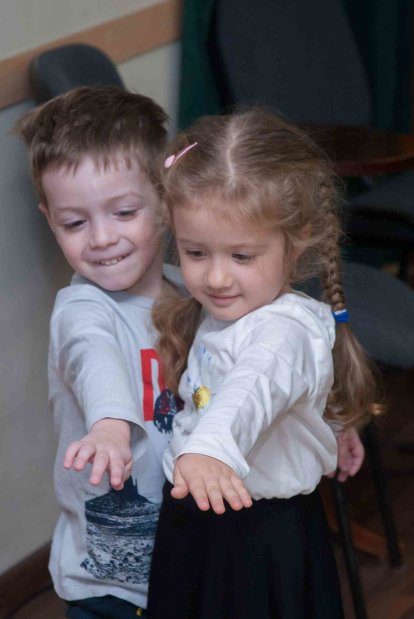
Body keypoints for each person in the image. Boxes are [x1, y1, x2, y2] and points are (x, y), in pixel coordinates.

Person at [147, 109, 380, 619]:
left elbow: (252, 388)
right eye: (195, 252)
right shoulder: (234, 307)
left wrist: (210, 449)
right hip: (200, 512)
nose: (216, 277)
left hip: (254, 535)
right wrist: (325, 427)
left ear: (295, 244)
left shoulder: (281, 331)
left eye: (242, 257)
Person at [15, 85, 184, 619]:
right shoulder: (82, 311)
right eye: (74, 223)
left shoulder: (194, 294)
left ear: (165, 197)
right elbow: (94, 361)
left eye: (124, 212)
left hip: (192, 556)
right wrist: (110, 424)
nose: (102, 238)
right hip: (109, 586)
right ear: (49, 219)